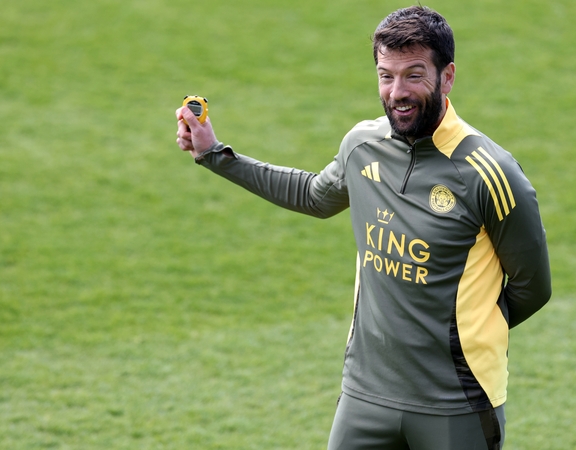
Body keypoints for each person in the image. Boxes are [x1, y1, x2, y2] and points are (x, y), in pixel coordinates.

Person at [175, 6, 551, 449]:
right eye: (386, 76)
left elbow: (532, 287)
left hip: (456, 401)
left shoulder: (491, 173)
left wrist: (463, 335)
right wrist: (213, 153)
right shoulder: (363, 147)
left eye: (414, 75)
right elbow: (314, 195)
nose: (397, 93)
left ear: (446, 77)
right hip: (366, 394)